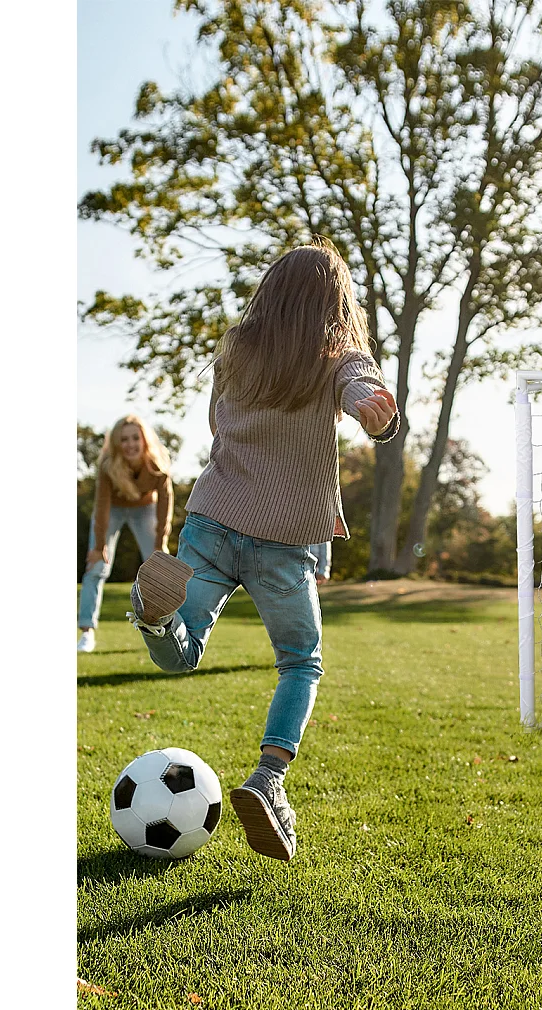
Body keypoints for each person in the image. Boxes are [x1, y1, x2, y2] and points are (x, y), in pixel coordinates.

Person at [126, 239, 399, 862]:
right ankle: (268, 780)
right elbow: (363, 387)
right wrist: (371, 411)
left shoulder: (235, 349)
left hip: (214, 516)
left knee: (185, 650)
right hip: (283, 538)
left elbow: (219, 426)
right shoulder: (339, 356)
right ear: (335, 301)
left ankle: (155, 618)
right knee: (300, 662)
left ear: (271, 292)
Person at [77, 415, 174, 652]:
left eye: (135, 438)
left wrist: (160, 542)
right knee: (97, 567)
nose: (130, 444)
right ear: (116, 443)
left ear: (144, 440)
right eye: (124, 439)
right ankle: (87, 632)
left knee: (158, 568)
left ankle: (168, 628)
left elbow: (165, 504)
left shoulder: (157, 463)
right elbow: (101, 507)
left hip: (145, 509)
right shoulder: (108, 465)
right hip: (114, 510)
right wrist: (100, 546)